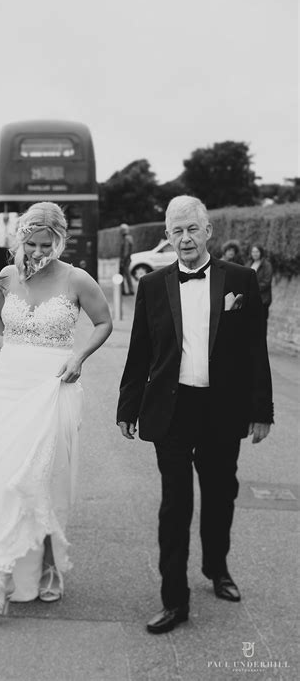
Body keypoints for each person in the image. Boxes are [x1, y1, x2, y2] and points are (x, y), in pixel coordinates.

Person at [117, 195, 273, 634]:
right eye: (176, 230)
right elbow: (141, 352)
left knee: (221, 495)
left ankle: (217, 568)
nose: (184, 237)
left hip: (223, 410)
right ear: (167, 236)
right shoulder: (152, 286)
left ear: (208, 232)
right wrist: (127, 407)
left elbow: (254, 351)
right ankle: (174, 600)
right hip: (172, 408)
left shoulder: (241, 279)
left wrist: (262, 411)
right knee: (175, 505)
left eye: (191, 229)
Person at [0, 201, 113, 616]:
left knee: (42, 479)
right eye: (31, 244)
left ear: (60, 240)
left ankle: (47, 567)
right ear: (20, 239)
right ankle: (2, 575)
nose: (39, 252)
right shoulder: (7, 276)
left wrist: (79, 357)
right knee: (7, 479)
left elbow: (104, 322)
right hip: (10, 386)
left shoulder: (76, 278)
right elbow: (1, 329)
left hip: (54, 385)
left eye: (47, 244)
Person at [246, 244, 273, 335]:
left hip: (263, 300)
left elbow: (266, 282)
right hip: (250, 298)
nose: (255, 254)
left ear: (261, 252)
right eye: (253, 251)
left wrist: (252, 288)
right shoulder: (249, 263)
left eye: (257, 251)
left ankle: (262, 346)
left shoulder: (267, 265)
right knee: (250, 323)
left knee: (261, 323)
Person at [119, 223, 134, 295]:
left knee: (124, 275)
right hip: (127, 260)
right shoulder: (129, 238)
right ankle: (130, 290)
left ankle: (124, 290)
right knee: (127, 275)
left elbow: (125, 251)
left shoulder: (126, 238)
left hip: (125, 260)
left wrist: (122, 261)